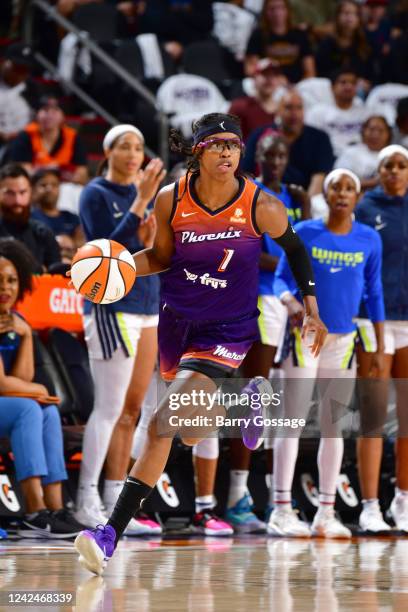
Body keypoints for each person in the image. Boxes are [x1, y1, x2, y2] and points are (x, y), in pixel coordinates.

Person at [73, 112, 327, 575]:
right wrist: (118, 268)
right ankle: (240, 402)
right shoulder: (172, 200)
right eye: (218, 144)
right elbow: (163, 257)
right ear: (199, 151)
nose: (228, 151)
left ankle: (107, 534)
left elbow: (294, 249)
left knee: (160, 425)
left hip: (227, 328)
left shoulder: (259, 204)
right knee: (186, 433)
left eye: (234, 143)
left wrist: (310, 305)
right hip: (177, 324)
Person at [269, 168, 384, 538]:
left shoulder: (368, 238)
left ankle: (326, 513)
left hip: (344, 340)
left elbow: (374, 291)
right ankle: (281, 510)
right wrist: (295, 309)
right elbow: (280, 279)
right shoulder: (304, 232)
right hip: (305, 337)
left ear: (357, 197)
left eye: (350, 188)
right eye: (336, 186)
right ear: (327, 194)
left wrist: (378, 342)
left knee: (334, 429)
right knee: (293, 421)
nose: (342, 193)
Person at [74, 124, 164, 535]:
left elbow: (156, 252)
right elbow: (101, 253)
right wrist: (141, 203)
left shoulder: (147, 198)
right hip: (111, 307)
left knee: (133, 411)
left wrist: (152, 228)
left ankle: (114, 502)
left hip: (147, 306)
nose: (133, 154)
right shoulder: (96, 193)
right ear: (108, 151)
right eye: (124, 146)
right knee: (108, 410)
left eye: (139, 147)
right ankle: (85, 499)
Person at [226, 133, 310, 532]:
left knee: (277, 405)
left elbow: (305, 241)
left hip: (289, 302)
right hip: (259, 299)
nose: (275, 159)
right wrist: (286, 256)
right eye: (268, 154)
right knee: (253, 394)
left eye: (281, 154)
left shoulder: (295, 196)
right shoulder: (249, 195)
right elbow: (246, 250)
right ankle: (235, 496)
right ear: (257, 157)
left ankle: (278, 495)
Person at [0, 238, 84, 538]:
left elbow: (21, 376)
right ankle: (34, 512)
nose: (6, 288)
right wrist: (35, 390)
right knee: (28, 407)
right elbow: (3, 384)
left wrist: (24, 336)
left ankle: (55, 509)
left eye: (12, 280)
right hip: (8, 403)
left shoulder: (16, 320)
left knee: (46, 410)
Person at [355, 144, 408, 533]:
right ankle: (370, 505)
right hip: (372, 320)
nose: (394, 171)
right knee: (373, 416)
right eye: (388, 165)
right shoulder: (364, 207)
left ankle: (403, 501)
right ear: (379, 170)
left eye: (401, 165)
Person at [243, 89, 335, 196]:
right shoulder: (260, 135)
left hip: (304, 198)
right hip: (264, 196)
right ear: (278, 111)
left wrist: (307, 206)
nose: (294, 113)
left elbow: (319, 178)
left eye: (299, 108)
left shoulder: (320, 138)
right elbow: (246, 173)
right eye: (288, 107)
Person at [8, 96, 88, 185]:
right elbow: (22, 171)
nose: (49, 115)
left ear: (63, 116)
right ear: (37, 114)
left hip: (64, 186)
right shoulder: (26, 135)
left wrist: (74, 177)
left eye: (55, 111)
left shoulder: (73, 137)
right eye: (45, 110)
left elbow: (82, 173)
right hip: (34, 185)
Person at [0, 164, 61, 272]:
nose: (17, 200)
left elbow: (56, 276)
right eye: (10, 193)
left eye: (22, 192)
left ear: (30, 192)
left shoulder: (43, 233)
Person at [305, 68, 373, 159]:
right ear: (332, 87)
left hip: (361, 160)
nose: (348, 86)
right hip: (329, 159)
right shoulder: (318, 113)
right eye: (343, 82)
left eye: (353, 83)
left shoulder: (366, 113)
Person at [244, 0, 316, 82]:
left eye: (281, 8)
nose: (277, 13)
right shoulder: (258, 35)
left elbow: (310, 71)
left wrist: (296, 89)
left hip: (298, 85)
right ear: (265, 12)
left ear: (288, 10)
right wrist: (274, 81)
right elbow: (250, 69)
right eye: (272, 9)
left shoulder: (300, 35)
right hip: (268, 84)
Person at [315, 0, 373, 86]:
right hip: (332, 88)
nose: (349, 17)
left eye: (354, 14)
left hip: (358, 88)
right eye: (346, 13)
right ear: (337, 16)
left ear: (359, 19)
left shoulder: (365, 43)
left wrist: (366, 83)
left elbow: (371, 74)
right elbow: (321, 73)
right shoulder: (327, 43)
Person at [228, 59, 287, 141]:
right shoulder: (240, 107)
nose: (270, 79)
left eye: (275, 75)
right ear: (254, 78)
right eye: (265, 74)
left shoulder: (285, 109)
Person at [335, 115, 392, 190]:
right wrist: (374, 182)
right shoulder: (350, 152)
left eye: (380, 131)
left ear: (388, 134)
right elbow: (339, 181)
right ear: (363, 131)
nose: (375, 134)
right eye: (371, 129)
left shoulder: (395, 154)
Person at [31, 168, 84, 247]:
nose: (49, 189)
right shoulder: (29, 218)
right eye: (43, 185)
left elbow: (82, 244)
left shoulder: (72, 218)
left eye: (54, 185)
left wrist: (73, 243)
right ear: (33, 189)